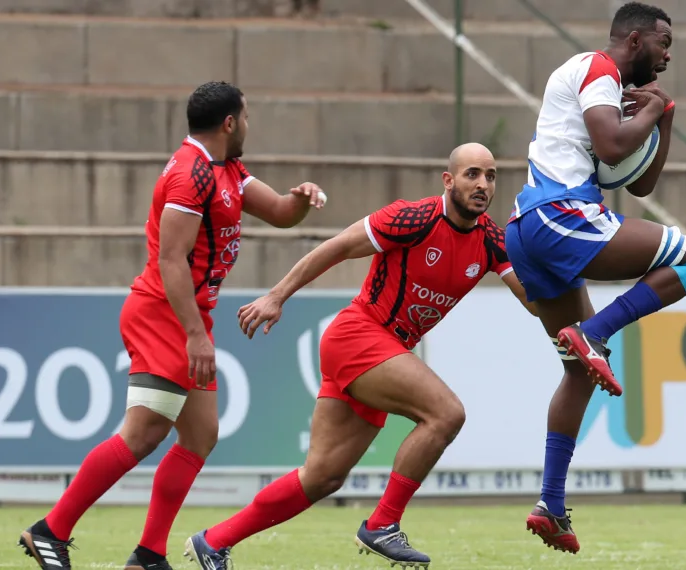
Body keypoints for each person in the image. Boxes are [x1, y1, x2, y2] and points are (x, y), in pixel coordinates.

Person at [17, 81, 328, 570]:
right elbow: (171, 259)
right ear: (229, 122)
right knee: (142, 433)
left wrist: (302, 198)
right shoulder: (191, 174)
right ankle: (50, 531)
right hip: (164, 313)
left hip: (185, 314)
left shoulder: (227, 169)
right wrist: (195, 334)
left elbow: (281, 214)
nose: (248, 125)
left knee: (200, 434)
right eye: (245, 117)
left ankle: (148, 555)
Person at [182, 143, 535, 570]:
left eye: (491, 176)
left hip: (382, 351)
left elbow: (533, 300)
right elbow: (340, 246)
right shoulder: (414, 216)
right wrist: (277, 296)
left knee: (322, 477)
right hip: (359, 336)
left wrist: (572, 299)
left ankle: (213, 542)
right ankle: (383, 524)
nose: (483, 185)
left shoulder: (493, 240)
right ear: (449, 180)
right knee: (446, 413)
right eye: (472, 174)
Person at [504, 2, 686, 554]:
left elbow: (638, 185)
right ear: (636, 38)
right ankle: (597, 333)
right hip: (561, 216)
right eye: (664, 42)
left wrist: (662, 119)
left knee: (576, 372)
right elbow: (614, 146)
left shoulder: (607, 86)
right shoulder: (597, 67)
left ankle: (550, 502)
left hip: (528, 230)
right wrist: (654, 109)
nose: (668, 55)